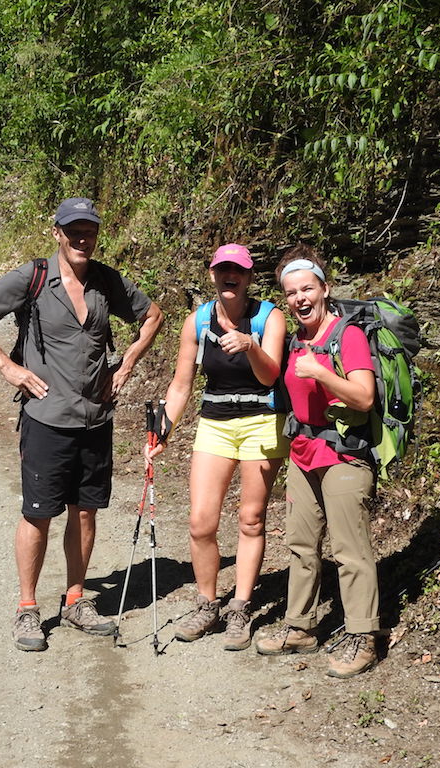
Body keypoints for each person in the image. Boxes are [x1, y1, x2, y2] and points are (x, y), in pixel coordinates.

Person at [0, 197, 164, 652]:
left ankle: (74, 599)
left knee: (85, 510)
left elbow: (153, 316)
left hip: (95, 418)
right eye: (73, 230)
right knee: (38, 512)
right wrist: (8, 369)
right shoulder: (33, 277)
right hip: (46, 418)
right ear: (57, 233)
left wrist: (125, 365)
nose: (82, 238)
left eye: (89, 230)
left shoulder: (107, 281)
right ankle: (27, 608)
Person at [144, 243, 288, 651]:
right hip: (216, 424)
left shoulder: (269, 317)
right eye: (223, 269)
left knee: (251, 519)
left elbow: (269, 376)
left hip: (262, 421)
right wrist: (162, 433)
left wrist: (250, 345)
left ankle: (240, 606)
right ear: (212, 274)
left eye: (238, 271)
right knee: (201, 523)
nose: (230, 276)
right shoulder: (198, 321)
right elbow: (181, 384)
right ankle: (207, 603)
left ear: (248, 277)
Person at [253, 244, 381, 678]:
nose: (299, 298)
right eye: (290, 293)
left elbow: (364, 397)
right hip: (304, 455)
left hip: (345, 455)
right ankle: (300, 627)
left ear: (324, 289)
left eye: (307, 288)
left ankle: (364, 636)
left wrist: (323, 372)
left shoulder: (348, 336)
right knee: (302, 546)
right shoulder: (295, 341)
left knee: (349, 550)